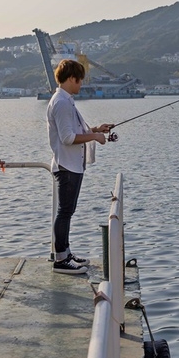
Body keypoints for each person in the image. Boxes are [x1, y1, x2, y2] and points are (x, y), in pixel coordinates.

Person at [46, 59, 113, 274]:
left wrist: (95, 129)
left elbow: (74, 130)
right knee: (65, 212)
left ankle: (65, 253)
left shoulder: (65, 101)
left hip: (71, 164)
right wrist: (95, 136)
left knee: (67, 211)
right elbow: (67, 138)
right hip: (67, 165)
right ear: (72, 78)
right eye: (80, 80)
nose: (81, 84)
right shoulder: (62, 103)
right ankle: (60, 260)